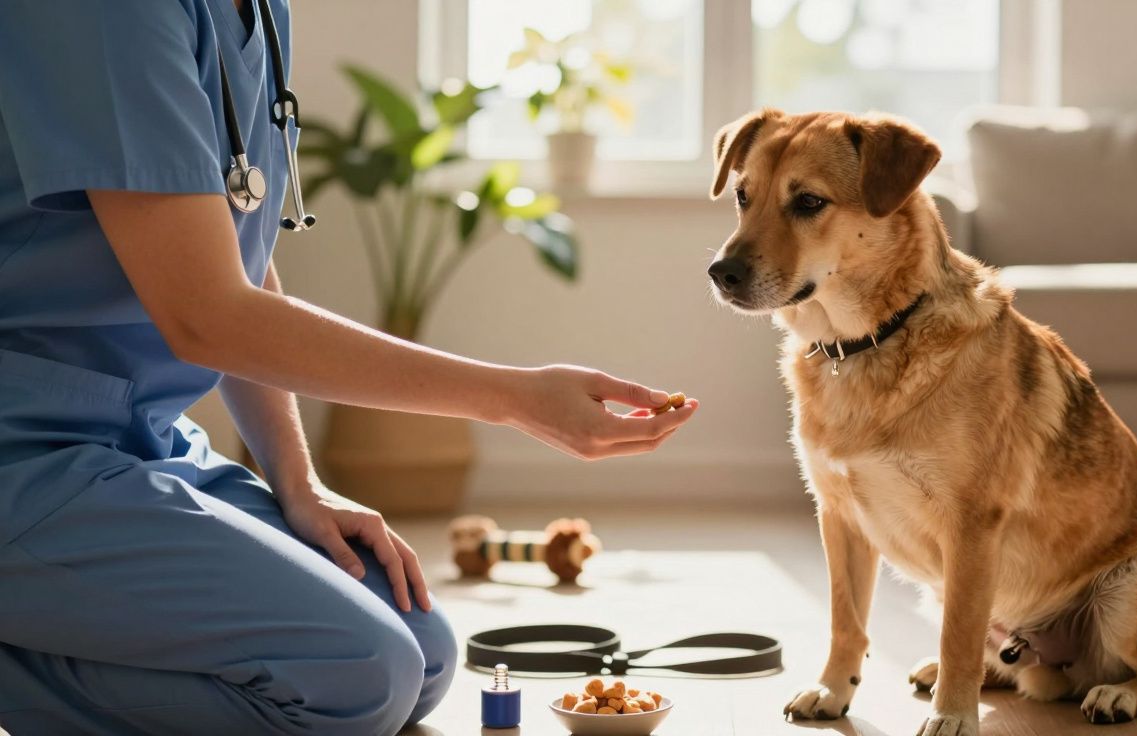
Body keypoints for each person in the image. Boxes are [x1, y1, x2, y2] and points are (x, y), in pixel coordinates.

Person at [0, 1, 697, 734]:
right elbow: (207, 314)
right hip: (23, 454)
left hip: (137, 441)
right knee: (360, 678)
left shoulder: (259, 11)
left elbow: (238, 262)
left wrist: (299, 483)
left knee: (421, 653)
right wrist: (513, 398)